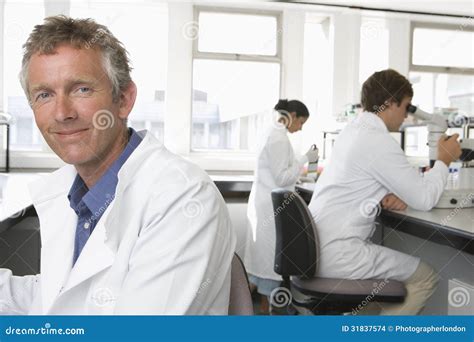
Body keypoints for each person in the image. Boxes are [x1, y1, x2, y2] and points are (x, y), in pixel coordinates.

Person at [0, 16, 235, 315]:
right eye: (44, 95)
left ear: (123, 99)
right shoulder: (75, 191)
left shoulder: (182, 197)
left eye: (81, 89)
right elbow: (60, 296)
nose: (61, 113)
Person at [308, 69, 462, 315]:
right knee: (426, 277)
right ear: (390, 103)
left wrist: (381, 195)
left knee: (373, 301)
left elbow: (358, 179)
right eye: (405, 107)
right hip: (340, 253)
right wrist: (444, 161)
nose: (405, 116)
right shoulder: (379, 141)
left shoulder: (354, 131)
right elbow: (425, 199)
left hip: (315, 248)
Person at [244, 99, 318, 313]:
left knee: (261, 265)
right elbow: (283, 177)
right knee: (269, 264)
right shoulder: (278, 137)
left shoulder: (272, 132)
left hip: (264, 202)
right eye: (301, 122)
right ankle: (271, 314)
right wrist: (306, 158)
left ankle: (258, 311)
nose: (300, 128)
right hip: (269, 206)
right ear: (292, 115)